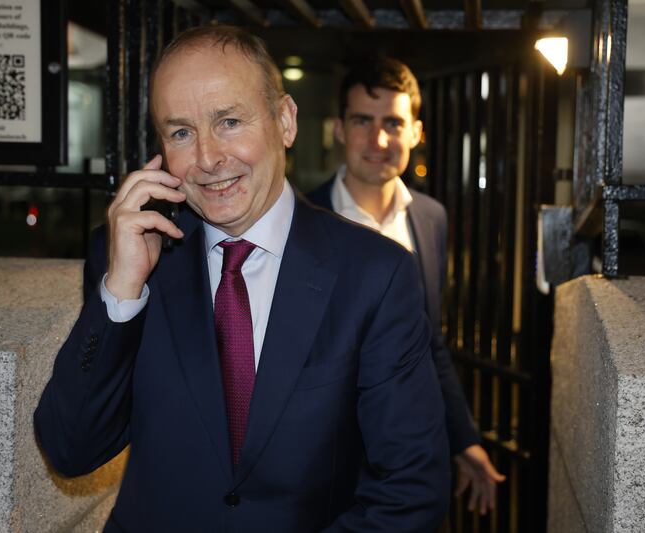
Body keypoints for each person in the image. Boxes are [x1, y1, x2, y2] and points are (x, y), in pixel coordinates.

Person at [34, 26, 450, 532]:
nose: (208, 158)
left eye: (229, 122)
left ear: (285, 121)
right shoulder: (130, 256)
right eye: (181, 132)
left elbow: (411, 488)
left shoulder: (375, 274)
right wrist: (120, 293)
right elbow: (72, 449)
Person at [306, 56, 505, 515]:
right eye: (362, 121)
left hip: (409, 464)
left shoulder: (430, 218)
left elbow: (430, 342)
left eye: (393, 123)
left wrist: (464, 439)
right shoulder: (302, 221)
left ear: (415, 132)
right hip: (323, 467)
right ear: (339, 128)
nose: (379, 140)